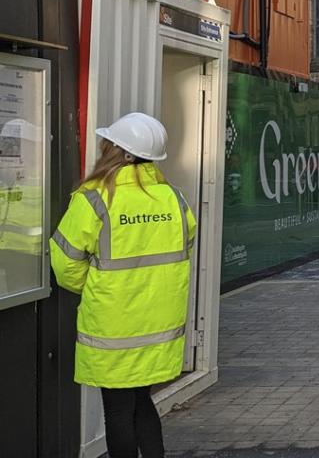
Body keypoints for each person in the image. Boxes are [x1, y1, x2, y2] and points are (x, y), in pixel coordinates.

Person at [49, 113, 195, 458]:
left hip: (112, 327)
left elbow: (65, 263)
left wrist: (97, 286)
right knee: (142, 402)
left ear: (120, 151)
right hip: (159, 325)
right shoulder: (173, 198)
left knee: (117, 410)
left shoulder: (94, 199)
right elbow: (184, 246)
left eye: (109, 142)